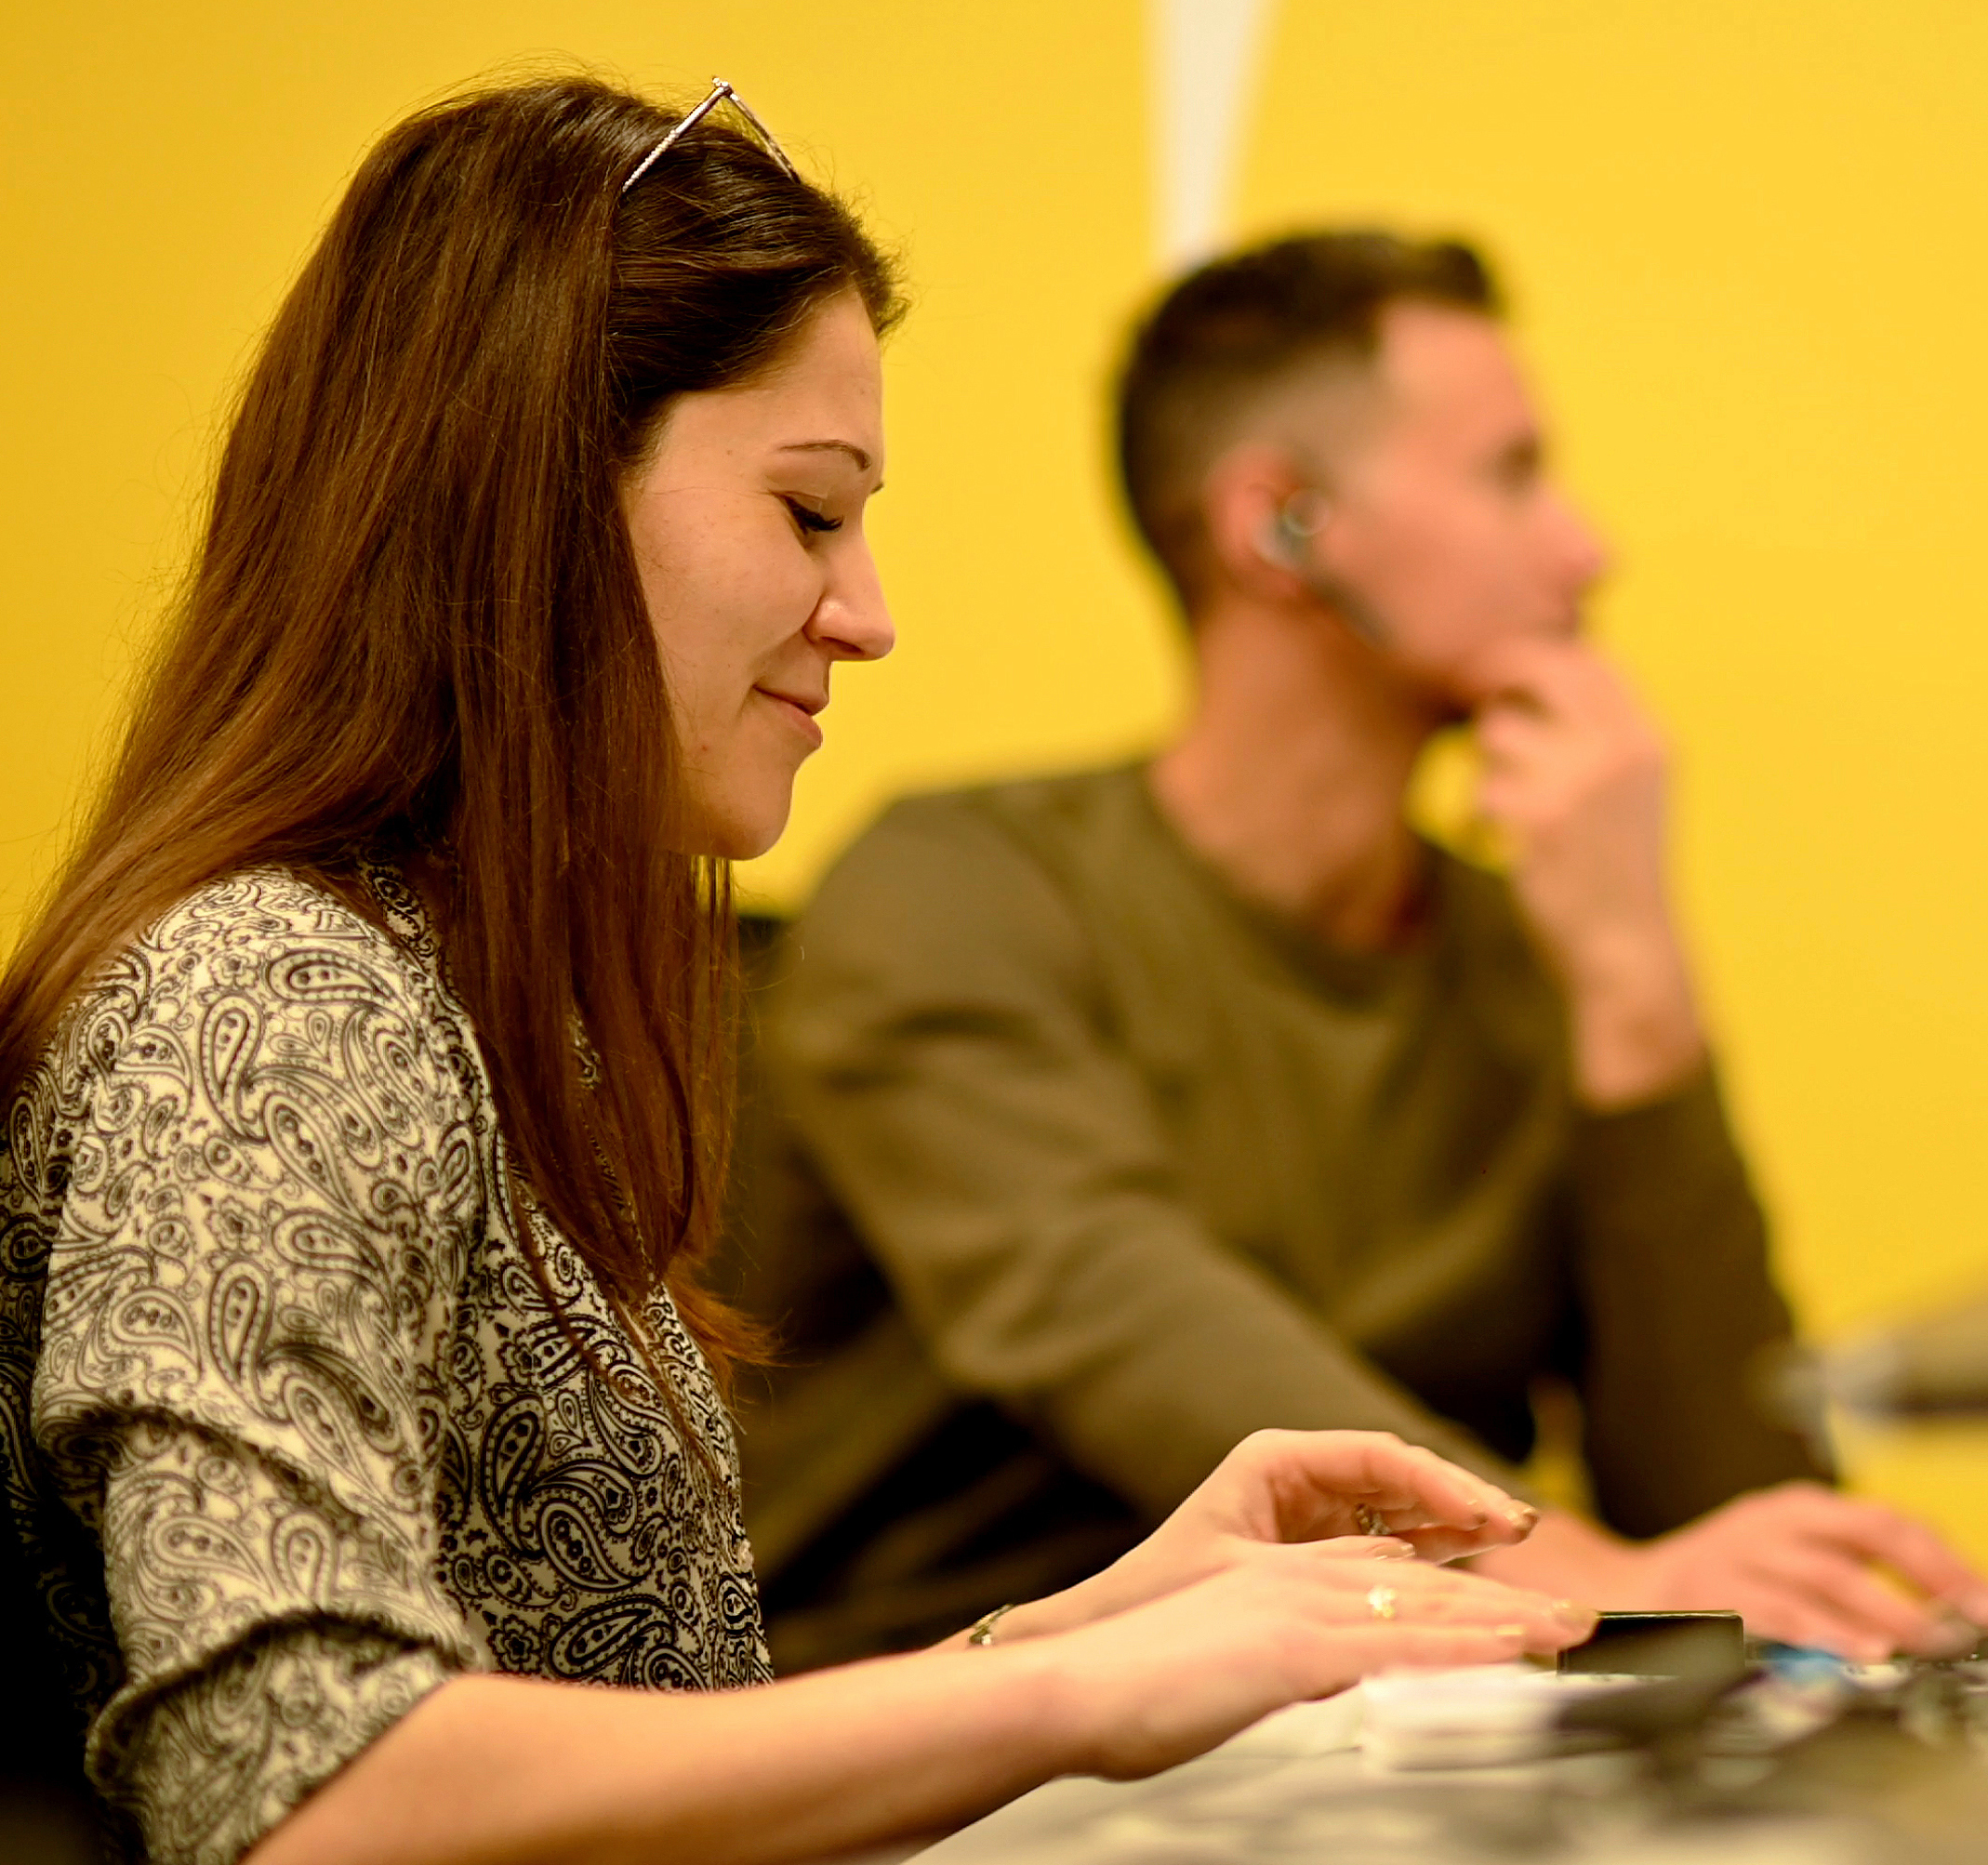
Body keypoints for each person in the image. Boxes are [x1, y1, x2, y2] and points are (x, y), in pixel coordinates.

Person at [0, 81, 1601, 1865]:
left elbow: (653, 1750)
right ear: (531, 498)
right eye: (809, 512)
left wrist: (1098, 1627)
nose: (868, 609)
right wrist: (1059, 1700)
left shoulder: (483, 1006)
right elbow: (314, 1790)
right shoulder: (267, 1006)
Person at [736, 230, 1988, 1673]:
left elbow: (1729, 1513)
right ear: (1281, 523)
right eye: (1508, 474)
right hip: (931, 1738)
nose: (1584, 549)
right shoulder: (953, 891)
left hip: (1363, 1743)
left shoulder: (1529, 952)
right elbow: (1126, 1324)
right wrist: (1602, 1585)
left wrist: (1638, 987)